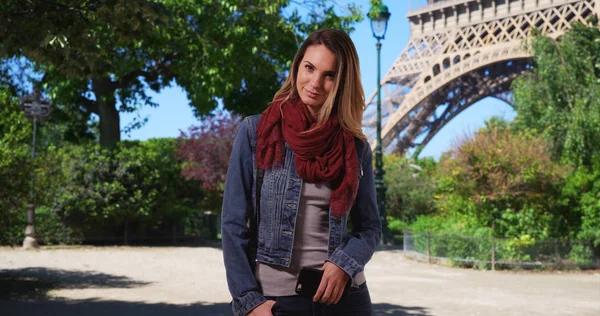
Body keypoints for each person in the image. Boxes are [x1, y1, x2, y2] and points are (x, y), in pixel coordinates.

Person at [221, 28, 381, 316]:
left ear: (342, 82)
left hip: (345, 299)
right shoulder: (256, 133)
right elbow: (233, 225)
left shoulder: (355, 148)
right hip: (277, 301)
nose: (315, 82)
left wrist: (344, 263)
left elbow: (369, 227)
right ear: (297, 66)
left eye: (329, 75)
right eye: (309, 68)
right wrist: (248, 301)